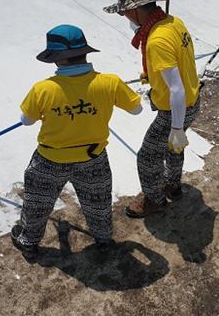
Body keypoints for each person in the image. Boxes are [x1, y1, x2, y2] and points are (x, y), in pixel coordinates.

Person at [11, 25, 142, 259]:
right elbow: (137, 109)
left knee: (38, 203)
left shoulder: (43, 89)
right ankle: (103, 238)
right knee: (98, 203)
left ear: (56, 60)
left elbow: (25, 121)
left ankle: (28, 241)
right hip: (93, 158)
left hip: (50, 160)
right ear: (85, 53)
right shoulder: (109, 82)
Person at [103, 0, 201, 218]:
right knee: (173, 148)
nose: (124, 17)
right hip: (192, 99)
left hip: (175, 108)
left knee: (147, 157)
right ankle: (173, 186)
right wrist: (153, 76)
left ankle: (155, 200)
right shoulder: (172, 23)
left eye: (125, 12)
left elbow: (175, 89)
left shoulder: (156, 40)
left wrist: (176, 127)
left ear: (135, 10)